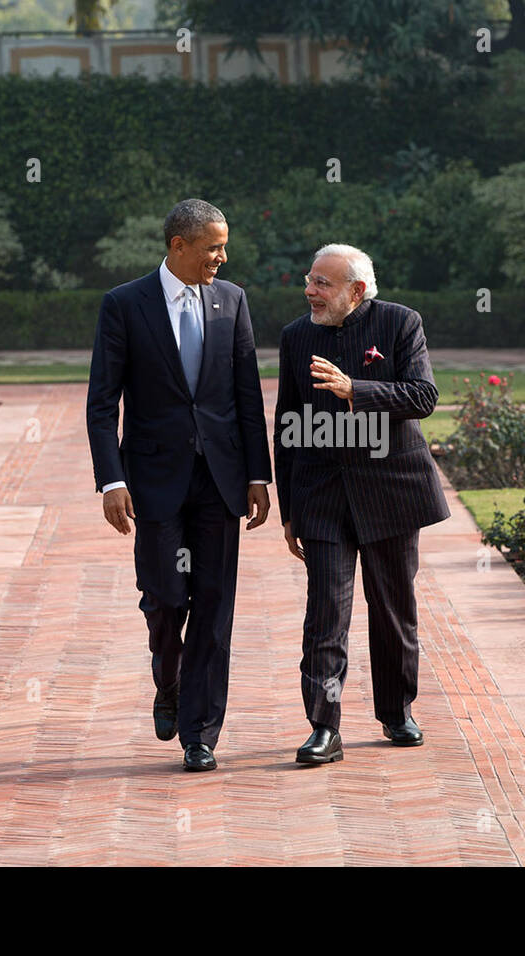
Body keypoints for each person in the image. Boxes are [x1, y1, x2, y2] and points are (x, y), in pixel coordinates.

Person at [86, 198, 271, 772]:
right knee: (166, 599)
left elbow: (246, 396)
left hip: (220, 481)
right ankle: (167, 681)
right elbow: (101, 404)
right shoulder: (124, 305)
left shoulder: (232, 300)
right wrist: (110, 480)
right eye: (214, 246)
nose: (223, 256)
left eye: (224, 245)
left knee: (215, 608)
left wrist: (258, 475)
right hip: (152, 481)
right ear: (178, 246)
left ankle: (200, 733)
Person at [273, 243, 450, 765]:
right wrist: (289, 510)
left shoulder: (400, 323)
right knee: (326, 613)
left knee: (394, 610)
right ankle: (323, 727)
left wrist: (356, 389)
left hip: (392, 491)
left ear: (356, 290)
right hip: (323, 498)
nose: (310, 291)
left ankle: (396, 712)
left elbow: (423, 396)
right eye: (309, 280)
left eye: (322, 283)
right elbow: (288, 424)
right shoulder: (295, 337)